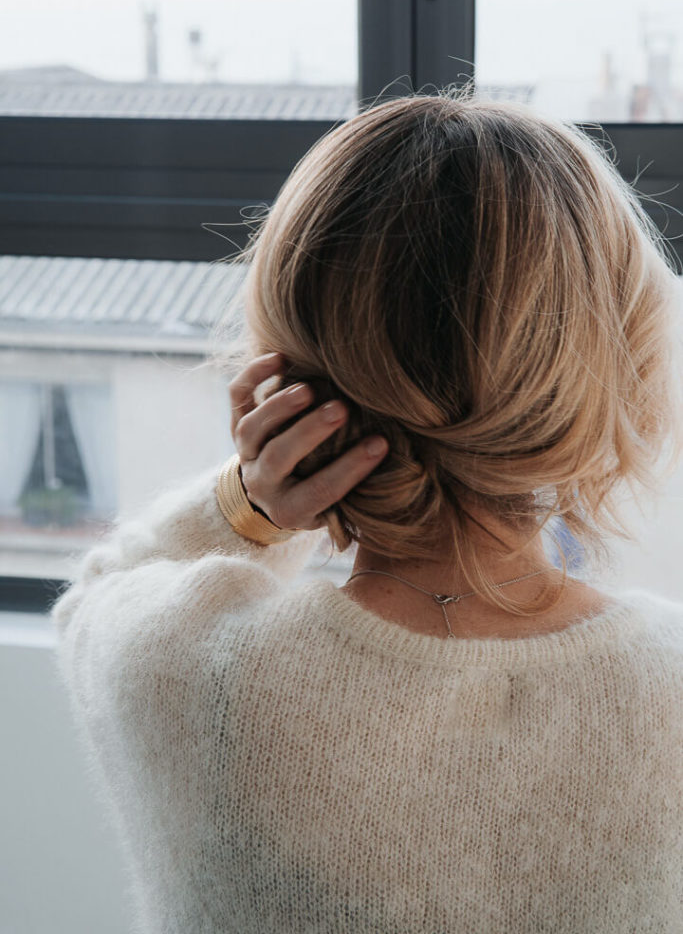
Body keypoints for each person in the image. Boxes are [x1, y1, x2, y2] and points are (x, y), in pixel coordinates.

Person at [51, 92, 683, 933]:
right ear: (606, 369)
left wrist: (247, 504)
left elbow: (98, 596)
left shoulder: (185, 670)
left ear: (288, 383)